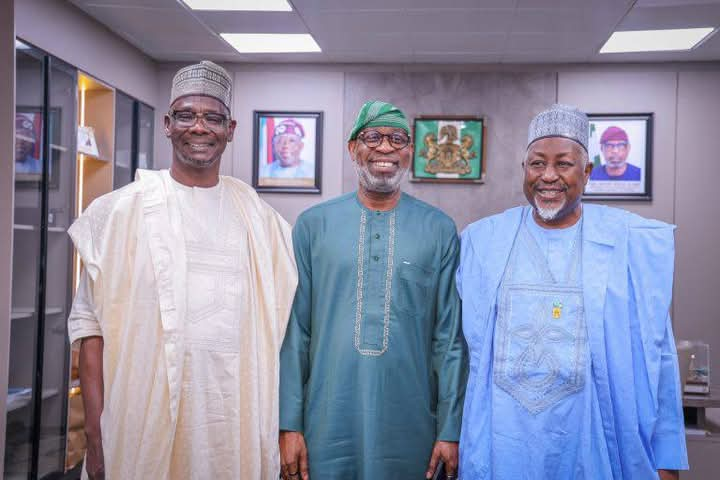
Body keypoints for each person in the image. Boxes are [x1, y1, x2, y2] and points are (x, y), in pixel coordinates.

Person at [67, 60, 297, 480]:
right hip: (138, 426)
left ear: (231, 130)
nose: (200, 127)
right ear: (168, 124)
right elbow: (90, 331)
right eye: (187, 115)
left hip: (231, 428)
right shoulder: (118, 213)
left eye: (213, 117)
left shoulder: (263, 225)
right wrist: (96, 436)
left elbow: (281, 337)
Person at [457, 104, 688, 479]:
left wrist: (666, 455)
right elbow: (457, 350)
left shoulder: (630, 243)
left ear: (587, 172)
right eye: (536, 164)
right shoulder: (482, 241)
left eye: (563, 163)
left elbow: (656, 353)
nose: (548, 176)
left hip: (593, 442)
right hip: (503, 445)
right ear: (524, 170)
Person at [279, 100, 467, 480]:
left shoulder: (439, 229)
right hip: (325, 423)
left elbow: (448, 339)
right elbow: (294, 332)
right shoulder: (313, 226)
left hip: (411, 424)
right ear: (353, 148)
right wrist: (288, 423)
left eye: (397, 139)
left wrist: (450, 428)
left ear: (410, 151)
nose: (385, 148)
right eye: (373, 137)